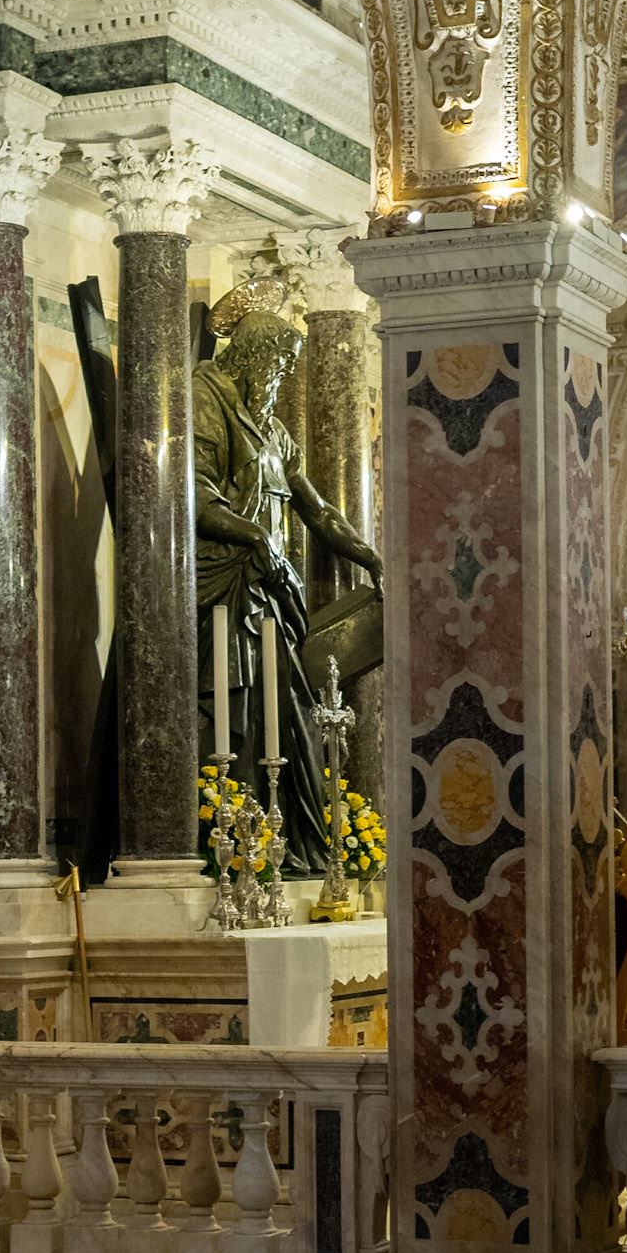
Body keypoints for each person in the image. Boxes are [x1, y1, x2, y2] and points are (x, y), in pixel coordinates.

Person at [193, 281, 383, 872]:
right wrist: (255, 537)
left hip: (271, 592)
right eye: (275, 367)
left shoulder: (275, 434)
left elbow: (319, 510)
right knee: (236, 707)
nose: (279, 381)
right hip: (224, 587)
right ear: (252, 358)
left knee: (289, 711)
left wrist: (371, 557)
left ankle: (284, 836)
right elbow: (191, 493)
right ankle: (231, 832)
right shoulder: (207, 397)